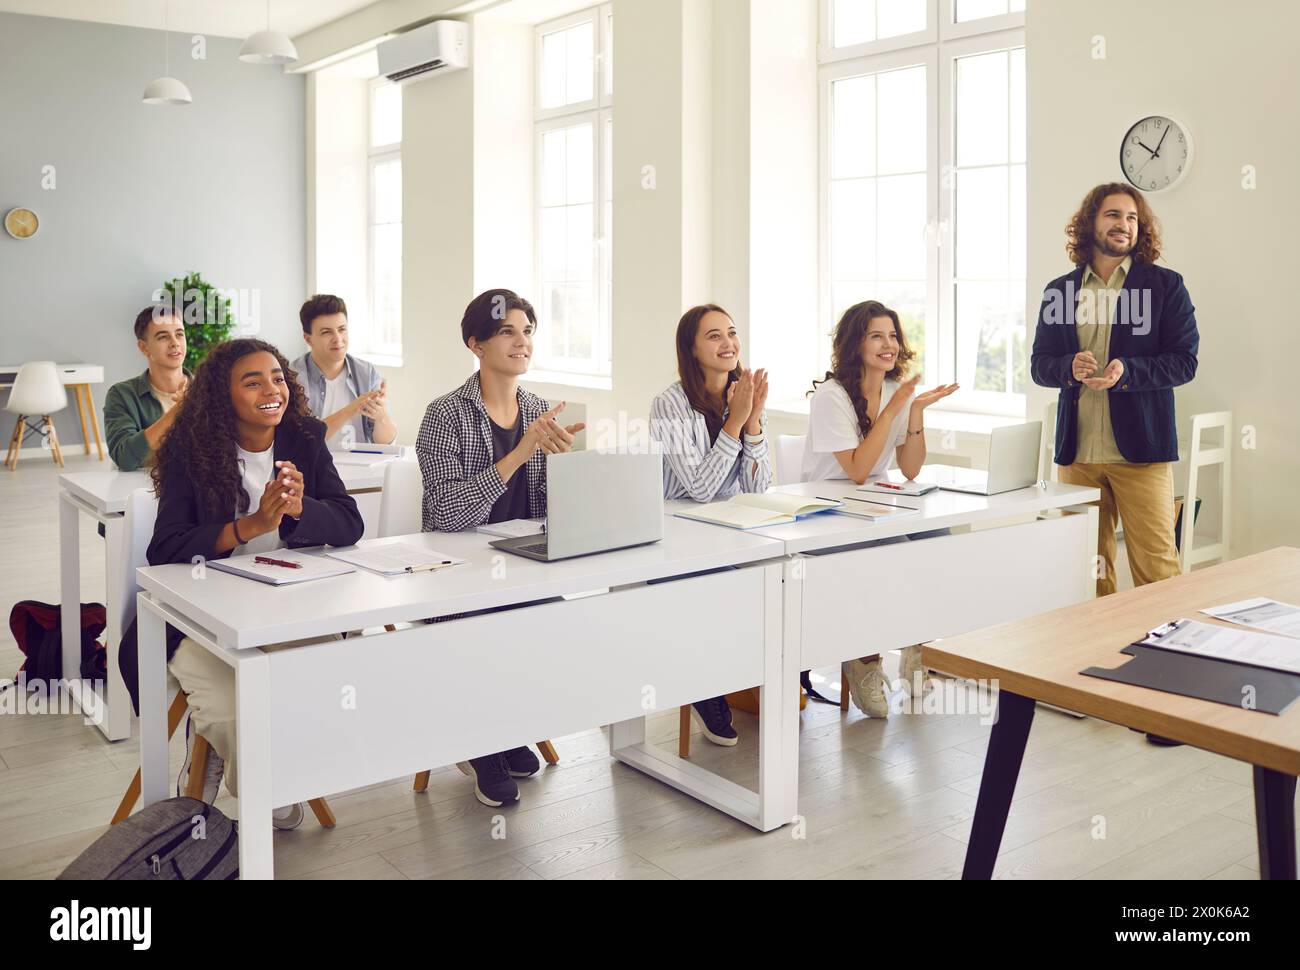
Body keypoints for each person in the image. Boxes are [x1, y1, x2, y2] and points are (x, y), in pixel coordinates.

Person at [125, 338, 364, 829]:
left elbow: (349, 523)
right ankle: (262, 782)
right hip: (199, 619)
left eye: (277, 377)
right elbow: (165, 549)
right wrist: (248, 528)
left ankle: (245, 765)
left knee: (327, 687)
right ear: (223, 396)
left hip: (284, 609)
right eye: (252, 381)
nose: (271, 389)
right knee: (236, 711)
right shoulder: (190, 454)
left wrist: (301, 509)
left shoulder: (304, 439)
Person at [416, 289, 585, 807]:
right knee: (481, 623)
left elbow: (551, 512)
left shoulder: (541, 410)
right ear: (476, 343)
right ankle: (481, 740)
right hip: (453, 569)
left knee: (557, 618)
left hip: (521, 563)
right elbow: (445, 514)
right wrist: (519, 453)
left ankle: (506, 726)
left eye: (528, 331)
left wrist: (566, 468)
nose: (521, 341)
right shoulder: (444, 414)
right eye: (507, 331)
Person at [1031, 183, 1198, 599]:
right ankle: (1093, 661)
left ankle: (1163, 662)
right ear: (1090, 222)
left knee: (1158, 572)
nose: (1123, 225)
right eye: (1113, 215)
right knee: (1085, 574)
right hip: (1078, 456)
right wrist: (1068, 368)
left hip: (1141, 453)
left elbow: (1184, 361)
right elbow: (1040, 365)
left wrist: (1128, 372)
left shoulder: (1165, 287)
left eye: (1132, 218)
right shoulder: (1060, 291)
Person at [803, 300, 958, 716]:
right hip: (826, 513)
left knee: (937, 543)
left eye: (892, 335)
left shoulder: (896, 392)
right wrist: (893, 410)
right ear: (855, 344)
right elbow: (856, 470)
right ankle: (864, 659)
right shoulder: (831, 396)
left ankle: (915, 647)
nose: (888, 344)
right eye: (876, 336)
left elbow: (909, 467)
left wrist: (916, 412)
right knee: (887, 555)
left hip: (874, 505)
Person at [649, 303, 770, 746]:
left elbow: (762, 489)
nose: (728, 343)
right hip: (680, 534)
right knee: (719, 589)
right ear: (691, 348)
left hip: (732, 529)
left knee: (778, 578)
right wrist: (737, 423)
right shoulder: (670, 402)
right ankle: (705, 685)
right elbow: (699, 489)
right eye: (714, 335)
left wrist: (753, 420)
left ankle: (760, 677)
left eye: (732, 333)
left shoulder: (743, 395)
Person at [291, 294, 397, 449]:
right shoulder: (294, 376)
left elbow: (385, 444)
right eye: (326, 332)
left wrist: (381, 417)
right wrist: (351, 409)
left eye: (342, 329)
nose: (338, 338)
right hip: (313, 470)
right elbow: (303, 440)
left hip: (360, 469)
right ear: (308, 339)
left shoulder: (366, 372)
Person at [103, 305, 191, 471]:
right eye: (163, 337)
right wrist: (177, 411)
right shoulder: (122, 394)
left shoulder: (208, 390)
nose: (174, 343)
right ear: (144, 347)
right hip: (146, 489)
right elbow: (124, 458)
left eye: (179, 334)